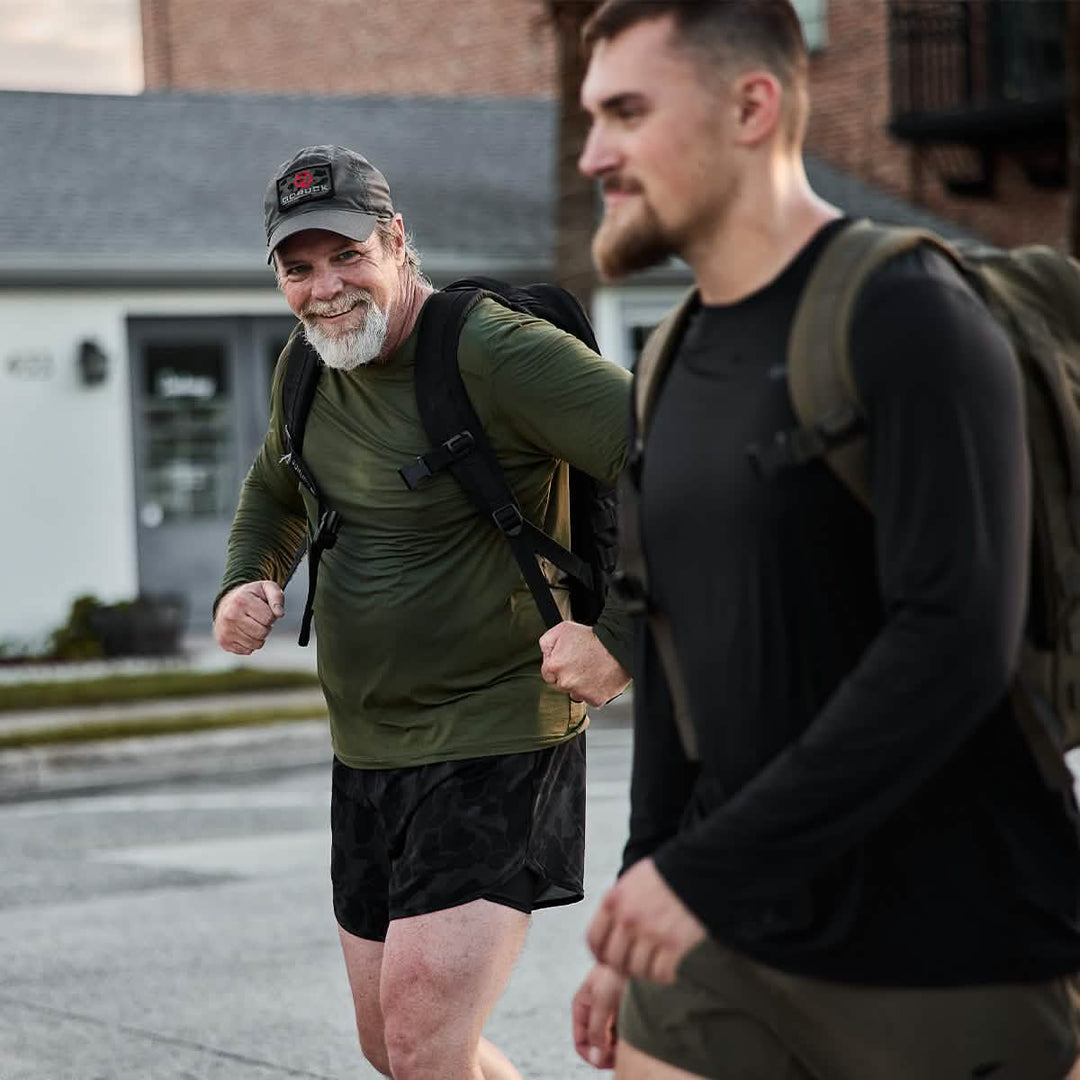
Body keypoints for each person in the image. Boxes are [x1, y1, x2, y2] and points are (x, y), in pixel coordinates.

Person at [570, 3, 1080, 1079]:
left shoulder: (910, 314)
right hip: (730, 950)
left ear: (752, 106)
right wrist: (640, 901)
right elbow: (670, 670)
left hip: (950, 954)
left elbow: (953, 644)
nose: (593, 155)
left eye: (626, 112)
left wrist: (703, 875)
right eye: (590, 116)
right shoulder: (667, 366)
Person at [213, 144, 633, 1080]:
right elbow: (276, 490)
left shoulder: (491, 350)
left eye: (346, 255)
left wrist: (624, 639)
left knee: (420, 1045)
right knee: (393, 1049)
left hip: (495, 733)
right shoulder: (309, 363)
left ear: (397, 240)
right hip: (365, 749)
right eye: (298, 266)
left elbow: (684, 464)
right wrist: (245, 580)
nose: (324, 289)